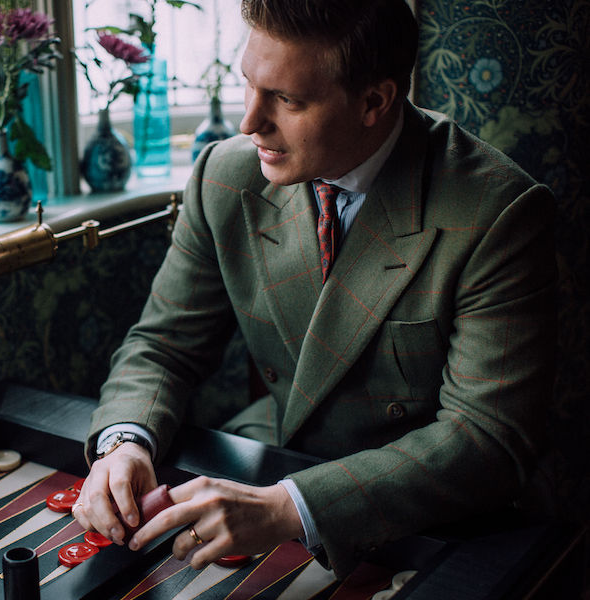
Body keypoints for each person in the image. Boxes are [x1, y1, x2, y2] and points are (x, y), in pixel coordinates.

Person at [71, 0, 557, 577]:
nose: (249, 122)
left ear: (374, 101)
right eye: (249, 85)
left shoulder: (498, 212)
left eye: (287, 100)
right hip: (271, 457)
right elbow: (164, 345)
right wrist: (125, 441)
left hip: (434, 523)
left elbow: (486, 440)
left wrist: (288, 507)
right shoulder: (223, 175)